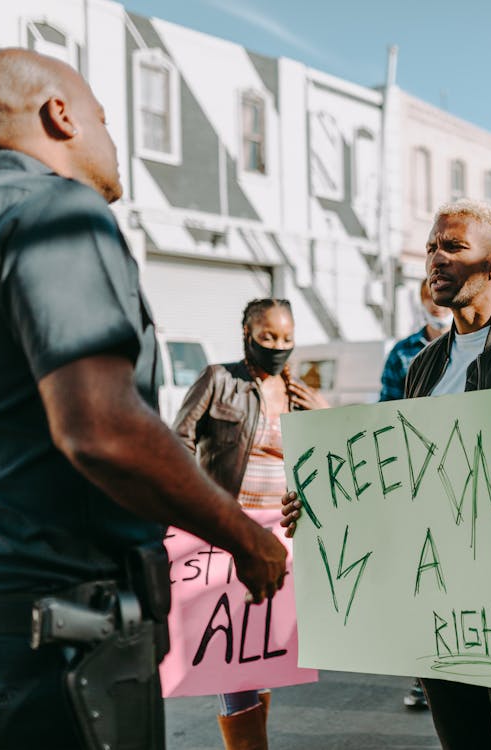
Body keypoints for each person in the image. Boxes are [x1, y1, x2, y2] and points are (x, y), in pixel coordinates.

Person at [0, 49, 287, 750]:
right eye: (102, 117)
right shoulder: (54, 207)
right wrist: (245, 539)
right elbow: (101, 428)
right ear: (59, 115)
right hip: (56, 648)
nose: (110, 137)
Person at [284, 198, 491, 749]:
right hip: (437, 603)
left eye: (454, 247)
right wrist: (321, 505)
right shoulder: (424, 367)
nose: (436, 259)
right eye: (432, 247)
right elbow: (402, 481)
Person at [173, 298, 326, 749]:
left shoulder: (298, 391)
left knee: (262, 657)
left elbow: (328, 458)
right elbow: (178, 440)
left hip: (283, 540)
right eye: (267, 337)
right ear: (247, 335)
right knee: (231, 656)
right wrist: (204, 509)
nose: (278, 346)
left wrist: (323, 414)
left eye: (286, 338)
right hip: (229, 536)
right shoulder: (219, 380)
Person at [379, 279, 451, 710]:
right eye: (428, 297)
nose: (435, 306)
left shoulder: (482, 347)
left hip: (462, 476)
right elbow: (386, 412)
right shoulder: (403, 353)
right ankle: (426, 676)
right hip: (416, 481)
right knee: (425, 579)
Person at [379, 278, 452, 404]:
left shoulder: (470, 346)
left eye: (443, 296)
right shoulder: (401, 352)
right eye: (430, 296)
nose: (436, 303)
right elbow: (387, 405)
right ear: (422, 301)